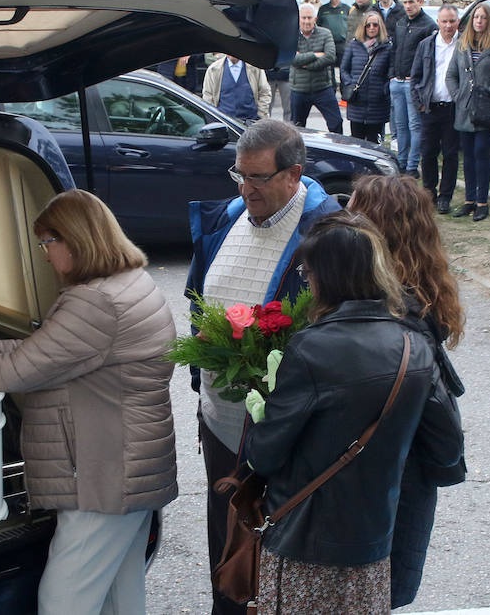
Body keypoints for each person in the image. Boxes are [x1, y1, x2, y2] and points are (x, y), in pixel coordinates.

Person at [0, 190, 176, 615]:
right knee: (120, 596)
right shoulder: (129, 283)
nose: (44, 255)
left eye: (47, 243)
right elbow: (43, 351)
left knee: (64, 602)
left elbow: (19, 370)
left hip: (104, 478)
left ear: (76, 239)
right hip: (128, 469)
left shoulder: (94, 302)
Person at [242, 214, 463, 615]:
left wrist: (262, 407)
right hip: (374, 540)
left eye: (308, 273)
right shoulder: (415, 344)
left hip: (303, 538)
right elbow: (447, 449)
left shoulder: (312, 348)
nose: (307, 282)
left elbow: (265, 455)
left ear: (327, 276)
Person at [184, 120, 342, 615]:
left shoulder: (328, 235)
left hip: (288, 429)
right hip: (221, 424)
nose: (245, 188)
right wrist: (202, 381)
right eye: (239, 175)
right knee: (225, 536)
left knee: (279, 542)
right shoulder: (224, 220)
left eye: (258, 178)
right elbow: (198, 305)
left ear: (294, 174)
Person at [346, 175, 467, 608]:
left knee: (370, 590)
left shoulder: (391, 312)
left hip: (387, 473)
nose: (343, 217)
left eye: (353, 210)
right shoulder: (422, 293)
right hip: (403, 471)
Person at [449, 4, 490, 221]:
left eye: (483, 17)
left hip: (486, 108)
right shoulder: (463, 41)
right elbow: (451, 75)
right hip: (465, 107)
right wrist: (457, 95)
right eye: (476, 17)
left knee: (481, 152)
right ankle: (469, 200)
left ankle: (482, 201)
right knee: (467, 155)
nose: (478, 21)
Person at [412, 5, 462, 213]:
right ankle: (429, 194)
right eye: (444, 21)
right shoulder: (427, 45)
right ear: (438, 22)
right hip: (430, 108)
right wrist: (419, 102)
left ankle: (445, 197)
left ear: (458, 22)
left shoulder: (464, 45)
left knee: (450, 154)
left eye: (452, 21)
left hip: (454, 108)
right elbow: (415, 77)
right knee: (428, 152)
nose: (448, 26)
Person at [390, 0, 439, 176]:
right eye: (405, 2)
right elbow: (394, 50)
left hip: (413, 84)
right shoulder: (400, 23)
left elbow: (430, 59)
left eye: (412, 2)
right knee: (400, 126)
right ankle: (401, 162)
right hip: (397, 80)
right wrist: (392, 75)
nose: (408, 6)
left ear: (420, 1)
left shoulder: (428, 25)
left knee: (415, 126)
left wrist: (419, 80)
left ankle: (412, 166)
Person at [290, 3, 343, 134]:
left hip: (323, 88)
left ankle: (337, 150)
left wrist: (305, 63)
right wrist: (315, 55)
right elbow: (291, 59)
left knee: (336, 122)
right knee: (297, 127)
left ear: (315, 19)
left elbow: (330, 57)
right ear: (299, 18)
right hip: (299, 90)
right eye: (303, 18)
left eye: (309, 18)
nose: (306, 21)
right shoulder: (290, 35)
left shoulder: (325, 34)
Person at [342, 12, 394, 143]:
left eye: (375, 25)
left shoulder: (387, 47)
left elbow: (390, 72)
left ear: (380, 26)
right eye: (368, 25)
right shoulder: (354, 45)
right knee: (356, 143)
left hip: (377, 105)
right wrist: (350, 84)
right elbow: (344, 69)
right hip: (357, 103)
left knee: (374, 144)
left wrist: (384, 90)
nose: (371, 28)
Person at [203, 54, 273, 122]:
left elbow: (265, 92)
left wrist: (260, 115)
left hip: (251, 121)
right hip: (224, 122)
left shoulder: (255, 67)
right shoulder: (214, 69)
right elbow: (208, 96)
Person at [317, 0, 352, 73]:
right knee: (328, 68)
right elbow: (318, 25)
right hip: (327, 43)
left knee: (343, 67)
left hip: (342, 43)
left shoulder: (346, 8)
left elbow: (351, 26)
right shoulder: (323, 9)